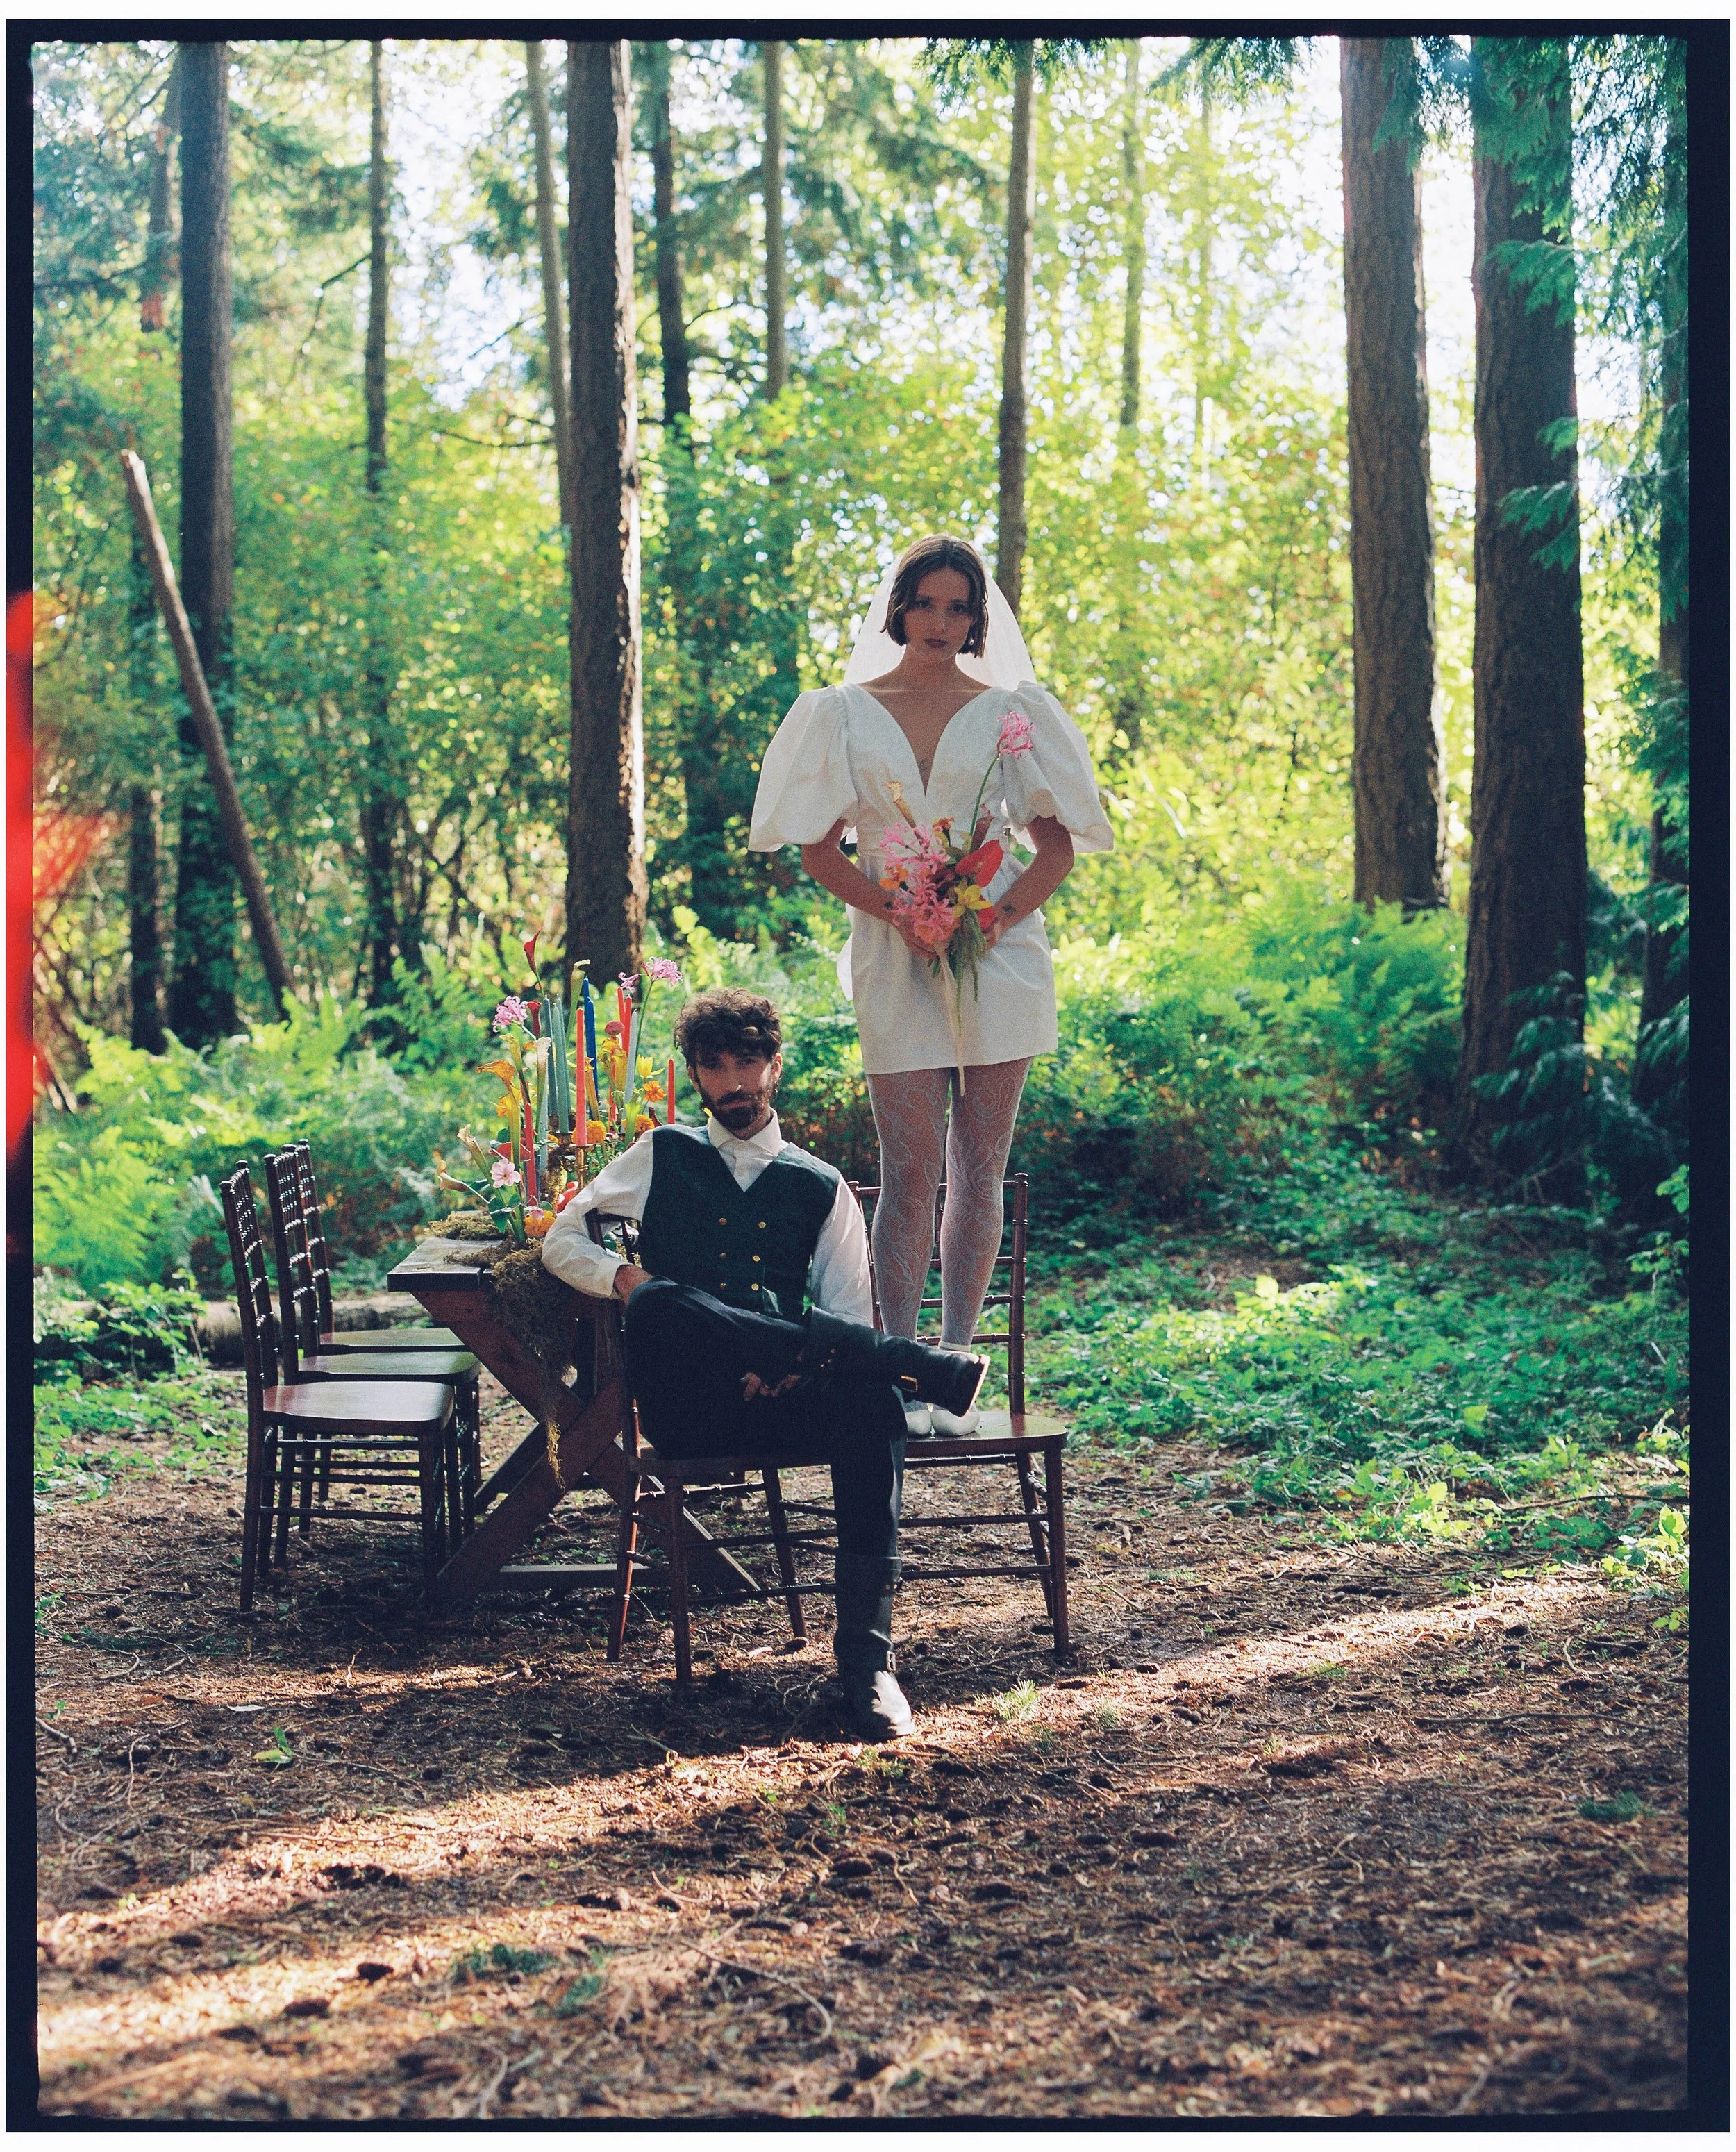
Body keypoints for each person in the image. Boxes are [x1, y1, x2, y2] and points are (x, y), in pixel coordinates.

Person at [540, 986, 984, 1742]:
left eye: (747, 1063)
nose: (733, 1083)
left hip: (784, 1395)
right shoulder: (660, 1155)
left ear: (774, 1068)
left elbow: (842, 1312)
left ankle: (867, 1667)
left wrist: (790, 1367)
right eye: (715, 1067)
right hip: (689, 1402)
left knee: (873, 1406)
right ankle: (917, 1365)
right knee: (660, 1303)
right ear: (696, 1076)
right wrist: (623, 1278)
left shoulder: (818, 1183)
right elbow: (560, 1239)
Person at [748, 535, 1112, 1431]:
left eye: (960, 607)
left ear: (977, 618)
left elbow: (1055, 849)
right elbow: (816, 849)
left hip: (1000, 962)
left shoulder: (1011, 713)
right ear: (899, 608)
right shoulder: (841, 712)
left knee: (979, 1167)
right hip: (892, 955)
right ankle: (894, 1369)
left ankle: (953, 1367)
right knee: (909, 1170)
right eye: (928, 603)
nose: (943, 622)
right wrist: (896, 909)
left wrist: (990, 918)